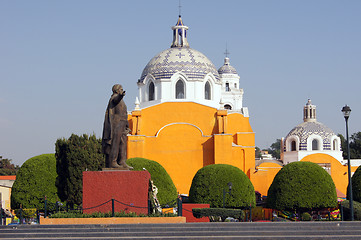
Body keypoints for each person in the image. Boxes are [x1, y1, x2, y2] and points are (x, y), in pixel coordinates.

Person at [102, 84, 133, 169]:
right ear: (116, 90)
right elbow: (116, 99)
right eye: (121, 89)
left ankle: (122, 161)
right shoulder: (114, 98)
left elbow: (124, 113)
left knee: (122, 143)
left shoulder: (122, 101)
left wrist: (126, 124)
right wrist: (120, 95)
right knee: (115, 143)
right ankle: (113, 162)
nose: (122, 90)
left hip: (122, 123)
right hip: (116, 124)